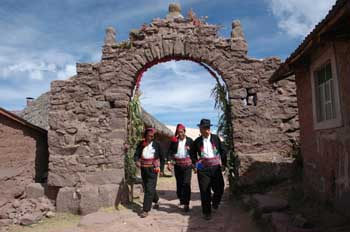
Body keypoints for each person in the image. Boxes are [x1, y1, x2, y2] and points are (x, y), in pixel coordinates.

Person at [190, 119, 227, 220]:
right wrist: (197, 164)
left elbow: (223, 151)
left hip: (215, 168)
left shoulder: (216, 138)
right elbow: (192, 154)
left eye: (208, 128)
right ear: (200, 129)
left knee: (220, 188)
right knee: (204, 191)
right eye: (204, 128)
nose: (207, 130)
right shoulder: (197, 142)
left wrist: (224, 163)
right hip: (203, 169)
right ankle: (206, 212)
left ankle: (215, 202)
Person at [134, 128, 164, 218]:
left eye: (152, 135)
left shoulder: (157, 144)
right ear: (146, 135)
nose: (151, 137)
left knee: (149, 189)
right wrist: (136, 161)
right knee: (147, 187)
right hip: (144, 169)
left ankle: (145, 210)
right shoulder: (141, 144)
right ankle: (157, 200)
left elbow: (162, 157)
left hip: (153, 169)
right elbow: (136, 155)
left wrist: (162, 169)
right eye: (149, 135)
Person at [167, 123, 194, 212]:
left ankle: (186, 204)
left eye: (182, 132)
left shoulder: (190, 141)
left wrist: (195, 164)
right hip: (178, 165)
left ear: (184, 132)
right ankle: (181, 198)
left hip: (188, 165)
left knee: (186, 183)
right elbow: (170, 152)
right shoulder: (174, 141)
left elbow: (194, 153)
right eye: (179, 132)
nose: (180, 134)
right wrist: (169, 162)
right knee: (179, 183)